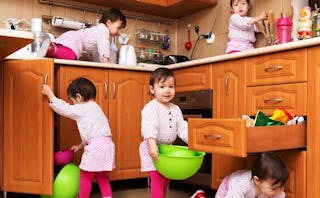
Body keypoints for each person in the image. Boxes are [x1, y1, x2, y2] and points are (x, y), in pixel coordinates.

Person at [42, 77, 115, 198]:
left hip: (96, 148)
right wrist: (80, 146)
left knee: (85, 176)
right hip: (108, 146)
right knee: (102, 177)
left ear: (79, 97)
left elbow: (63, 109)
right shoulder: (96, 107)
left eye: (73, 102)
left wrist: (49, 93)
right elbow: (93, 134)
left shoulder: (82, 108)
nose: (73, 105)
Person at [139, 67, 205, 198]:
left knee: (165, 180)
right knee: (157, 180)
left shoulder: (176, 109)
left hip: (167, 151)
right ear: (152, 89)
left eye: (171, 86)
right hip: (152, 150)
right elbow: (149, 126)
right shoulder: (151, 108)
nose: (167, 90)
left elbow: (182, 128)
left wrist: (194, 142)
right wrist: (152, 144)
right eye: (162, 86)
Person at [39, 8, 126, 63]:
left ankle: (50, 49)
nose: (118, 32)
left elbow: (97, 51)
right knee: (71, 57)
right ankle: (50, 49)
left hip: (71, 37)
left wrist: (99, 61)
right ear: (108, 23)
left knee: (62, 55)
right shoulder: (104, 31)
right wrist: (106, 62)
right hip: (76, 40)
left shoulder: (99, 29)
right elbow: (103, 46)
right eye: (118, 28)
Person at [215, 152, 289, 198]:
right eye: (274, 188)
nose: (278, 192)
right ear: (257, 180)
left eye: (282, 187)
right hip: (229, 189)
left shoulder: (276, 190)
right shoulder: (241, 184)